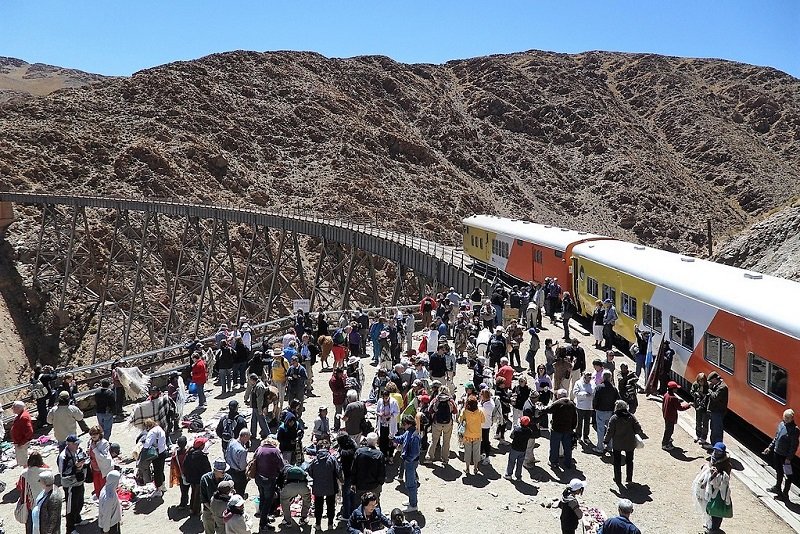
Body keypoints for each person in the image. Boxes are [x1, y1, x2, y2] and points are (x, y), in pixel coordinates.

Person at [692, 442, 733, 534]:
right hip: (709, 488)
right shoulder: (713, 458)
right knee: (707, 505)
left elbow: (725, 477)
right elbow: (709, 466)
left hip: (719, 490)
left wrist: (717, 474)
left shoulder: (726, 463)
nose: (716, 452)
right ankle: (709, 524)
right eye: (716, 450)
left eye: (719, 451)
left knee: (716, 508)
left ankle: (714, 528)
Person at [604, 400, 643, 487]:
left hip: (617, 444)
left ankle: (618, 479)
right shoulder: (631, 417)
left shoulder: (614, 418)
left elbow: (609, 431)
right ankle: (629, 478)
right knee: (630, 461)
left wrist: (606, 441)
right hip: (630, 443)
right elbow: (638, 429)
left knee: (617, 462)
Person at [764, 409, 799, 500]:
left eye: (788, 418)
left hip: (785, 457)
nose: (786, 419)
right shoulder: (781, 424)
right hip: (777, 453)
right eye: (785, 417)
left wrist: (789, 458)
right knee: (779, 472)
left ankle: (785, 494)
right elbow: (776, 438)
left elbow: (794, 445)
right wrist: (770, 447)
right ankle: (777, 487)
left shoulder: (795, 430)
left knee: (788, 475)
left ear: (792, 418)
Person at [308, 440, 343, 529]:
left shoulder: (314, 460)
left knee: (318, 505)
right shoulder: (332, 459)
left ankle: (318, 524)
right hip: (331, 486)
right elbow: (338, 471)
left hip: (318, 487)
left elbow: (310, 472)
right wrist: (341, 481)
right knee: (331, 505)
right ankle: (330, 524)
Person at [57, 434, 87, 534]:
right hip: (70, 485)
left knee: (80, 502)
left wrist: (84, 463)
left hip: (79, 482)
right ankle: (70, 529)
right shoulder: (63, 456)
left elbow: (85, 459)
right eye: (75, 444)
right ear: (69, 444)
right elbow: (63, 473)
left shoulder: (79, 450)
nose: (78, 445)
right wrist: (76, 467)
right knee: (71, 507)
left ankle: (77, 519)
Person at [253, 438, 283, 533]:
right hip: (269, 480)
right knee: (267, 501)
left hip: (258, 478)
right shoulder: (275, 451)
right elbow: (282, 466)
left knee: (262, 498)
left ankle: (264, 518)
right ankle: (263, 524)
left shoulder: (259, 449)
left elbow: (254, 460)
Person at [544, 389, 578, 470]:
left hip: (556, 429)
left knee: (554, 447)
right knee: (567, 447)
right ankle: (568, 462)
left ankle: (554, 462)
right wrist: (572, 428)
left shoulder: (557, 403)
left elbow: (548, 410)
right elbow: (575, 418)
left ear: (559, 396)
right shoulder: (572, 404)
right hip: (568, 430)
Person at [394, 414, 421, 512]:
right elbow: (401, 438)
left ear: (408, 424)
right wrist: (393, 438)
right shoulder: (409, 432)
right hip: (409, 461)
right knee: (409, 483)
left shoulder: (414, 436)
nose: (403, 426)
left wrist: (408, 459)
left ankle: (413, 505)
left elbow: (415, 452)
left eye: (404, 424)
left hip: (411, 462)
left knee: (411, 484)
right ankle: (411, 501)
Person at [17, 451, 48, 533]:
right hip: (44, 502)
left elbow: (21, 488)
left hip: (31, 504)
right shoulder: (47, 471)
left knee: (30, 525)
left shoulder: (25, 473)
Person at [351, 432, 386, 503]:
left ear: (366, 440)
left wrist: (353, 483)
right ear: (376, 441)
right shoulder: (379, 454)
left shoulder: (359, 452)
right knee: (374, 504)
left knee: (360, 504)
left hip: (360, 485)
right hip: (374, 486)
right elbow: (382, 471)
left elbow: (354, 468)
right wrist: (380, 483)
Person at [426, 386, 457, 465]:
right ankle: (445, 459)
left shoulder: (436, 399)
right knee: (446, 442)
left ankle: (430, 457)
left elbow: (429, 410)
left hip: (437, 423)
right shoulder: (450, 400)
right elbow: (455, 411)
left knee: (434, 441)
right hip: (448, 423)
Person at [201, 459, 233, 533]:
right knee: (209, 530)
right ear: (215, 470)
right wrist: (213, 511)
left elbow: (230, 496)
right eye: (222, 471)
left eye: (225, 471)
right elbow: (204, 499)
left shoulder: (228, 479)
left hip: (223, 512)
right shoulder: (205, 479)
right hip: (209, 510)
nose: (224, 473)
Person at [183, 437, 212, 516]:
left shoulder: (189, 454)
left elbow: (185, 466)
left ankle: (192, 509)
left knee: (193, 493)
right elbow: (207, 469)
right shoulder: (202, 457)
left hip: (191, 478)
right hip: (199, 479)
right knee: (198, 495)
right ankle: (196, 511)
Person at [593, 370, 620, 454]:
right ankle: (610, 446)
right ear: (610, 378)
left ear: (603, 377)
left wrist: (594, 408)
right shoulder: (614, 389)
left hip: (600, 411)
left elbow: (595, 400)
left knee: (600, 430)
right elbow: (618, 400)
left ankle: (600, 447)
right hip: (611, 411)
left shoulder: (599, 388)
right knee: (610, 430)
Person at [279, 461, 312, 528]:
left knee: (284, 501)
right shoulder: (299, 469)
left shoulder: (284, 470)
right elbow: (306, 480)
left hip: (289, 487)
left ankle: (287, 521)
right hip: (303, 486)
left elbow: (280, 483)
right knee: (306, 499)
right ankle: (303, 518)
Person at [142, 417, 169, 496]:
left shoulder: (152, 432)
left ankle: (159, 490)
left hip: (157, 455)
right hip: (163, 451)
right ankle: (163, 486)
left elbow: (147, 445)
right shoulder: (159, 428)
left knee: (157, 472)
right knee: (161, 470)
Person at [459, 395, 485, 475]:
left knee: (467, 452)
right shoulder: (480, 411)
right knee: (476, 452)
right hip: (477, 435)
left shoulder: (464, 411)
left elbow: (459, 420)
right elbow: (483, 421)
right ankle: (475, 468)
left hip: (467, 435)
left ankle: (467, 468)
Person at [662, 381, 691, 451]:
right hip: (671, 417)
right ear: (673, 389)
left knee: (667, 429)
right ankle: (665, 444)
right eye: (675, 388)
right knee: (669, 431)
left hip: (666, 415)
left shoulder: (666, 395)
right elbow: (680, 408)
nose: (677, 389)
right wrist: (688, 405)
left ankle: (667, 440)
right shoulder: (673, 398)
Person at [32, 470, 62, 534]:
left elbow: (53, 519)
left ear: (44, 482)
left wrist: (48, 532)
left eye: (40, 480)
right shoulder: (46, 490)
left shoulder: (54, 498)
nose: (39, 482)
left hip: (45, 529)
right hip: (40, 524)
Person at [87, 425, 114, 498]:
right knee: (97, 487)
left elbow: (103, 457)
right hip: (94, 468)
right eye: (92, 434)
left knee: (104, 487)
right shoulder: (90, 442)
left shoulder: (104, 443)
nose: (93, 436)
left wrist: (94, 449)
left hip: (103, 468)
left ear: (99, 434)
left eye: (95, 434)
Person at [504, 415, 533, 480]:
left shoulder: (517, 429)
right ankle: (518, 476)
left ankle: (509, 474)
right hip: (523, 449)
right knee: (520, 463)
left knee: (511, 461)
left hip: (514, 448)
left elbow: (511, 436)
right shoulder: (529, 431)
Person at [375, 389, 400, 460]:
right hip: (382, 424)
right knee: (383, 440)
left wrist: (390, 415)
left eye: (386, 398)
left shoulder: (394, 402)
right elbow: (376, 411)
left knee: (391, 440)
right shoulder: (380, 401)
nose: (385, 399)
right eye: (384, 398)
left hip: (390, 424)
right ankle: (384, 455)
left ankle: (391, 455)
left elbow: (397, 412)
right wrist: (379, 414)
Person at [225, 428, 250, 497]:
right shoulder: (242, 450)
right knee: (240, 492)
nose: (248, 440)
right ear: (244, 436)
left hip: (229, 470)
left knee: (232, 489)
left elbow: (226, 454)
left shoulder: (231, 442)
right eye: (248, 438)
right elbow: (242, 467)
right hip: (239, 474)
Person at [573, 371, 595, 444]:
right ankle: (578, 436)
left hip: (589, 407)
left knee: (587, 422)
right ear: (584, 376)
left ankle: (586, 436)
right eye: (587, 377)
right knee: (579, 422)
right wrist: (584, 394)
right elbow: (575, 393)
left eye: (590, 378)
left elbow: (594, 392)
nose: (589, 379)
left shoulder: (593, 383)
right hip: (580, 406)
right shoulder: (578, 383)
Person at [707, 372, 728, 446]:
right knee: (713, 429)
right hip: (714, 411)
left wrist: (709, 389)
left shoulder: (722, 387)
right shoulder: (717, 385)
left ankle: (717, 447)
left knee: (717, 430)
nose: (710, 382)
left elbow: (715, 397)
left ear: (715, 379)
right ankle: (714, 445)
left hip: (718, 412)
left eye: (711, 380)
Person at [11, 400, 34, 468]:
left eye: (14, 407)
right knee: (23, 460)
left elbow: (29, 431)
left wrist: (22, 442)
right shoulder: (20, 415)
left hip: (21, 443)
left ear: (18, 408)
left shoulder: (23, 417)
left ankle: (27, 474)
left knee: (24, 461)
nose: (12, 408)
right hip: (19, 442)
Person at [98, 470, 122, 534]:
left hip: (112, 523)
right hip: (110, 526)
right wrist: (106, 530)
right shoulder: (109, 497)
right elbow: (107, 514)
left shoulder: (106, 488)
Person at [170, 435, 191, 509]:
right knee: (193, 489)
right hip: (190, 473)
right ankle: (193, 504)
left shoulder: (175, 454)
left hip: (181, 475)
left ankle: (183, 504)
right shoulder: (189, 452)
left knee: (184, 490)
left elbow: (173, 466)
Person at [691, 373, 711, 445]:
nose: (701, 382)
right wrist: (696, 394)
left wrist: (705, 395)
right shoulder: (695, 384)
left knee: (705, 423)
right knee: (698, 421)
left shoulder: (708, 385)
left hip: (705, 407)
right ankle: (698, 435)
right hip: (698, 406)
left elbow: (710, 394)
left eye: (702, 381)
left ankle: (703, 437)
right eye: (700, 381)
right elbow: (692, 392)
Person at [479, 388, 495, 463]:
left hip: (485, 425)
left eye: (481, 394)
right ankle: (482, 454)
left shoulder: (489, 406)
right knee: (481, 440)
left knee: (485, 441)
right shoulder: (484, 402)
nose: (479, 395)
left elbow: (479, 411)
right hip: (481, 425)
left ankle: (487, 457)